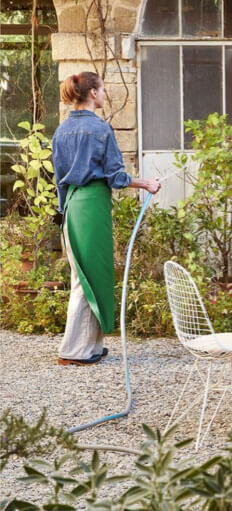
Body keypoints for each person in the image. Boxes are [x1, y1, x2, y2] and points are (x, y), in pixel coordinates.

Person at [52, 71, 160, 366]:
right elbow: (115, 176)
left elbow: (60, 180)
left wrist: (63, 213)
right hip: (92, 205)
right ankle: (73, 351)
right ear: (92, 94)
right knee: (87, 278)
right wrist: (146, 184)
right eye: (102, 90)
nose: (104, 94)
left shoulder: (61, 131)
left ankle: (91, 346)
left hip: (74, 205)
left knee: (90, 274)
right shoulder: (100, 130)